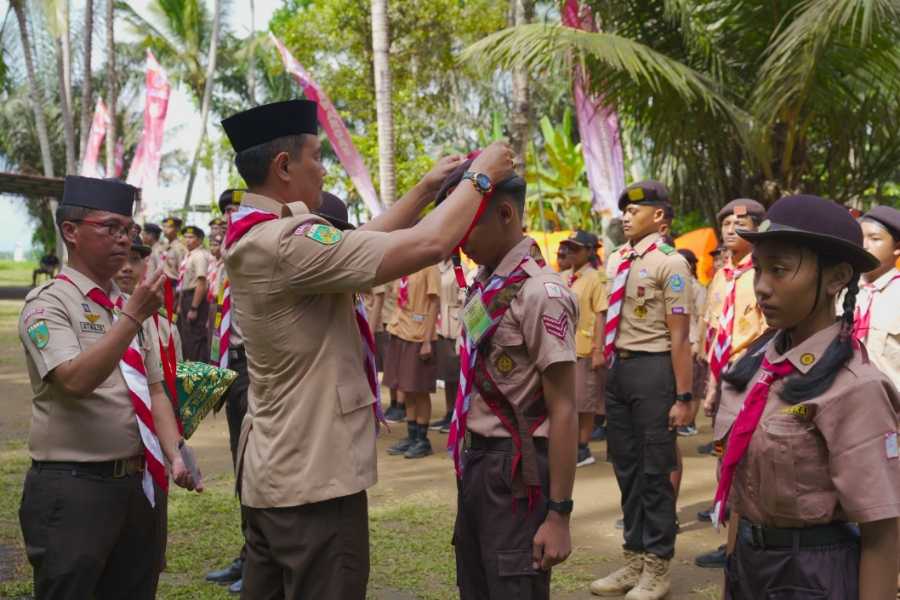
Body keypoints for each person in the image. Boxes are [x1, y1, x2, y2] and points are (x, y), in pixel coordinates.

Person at [219, 99, 513, 599]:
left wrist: (425, 188)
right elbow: (428, 247)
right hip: (313, 483)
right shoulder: (286, 243)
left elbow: (360, 241)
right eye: (315, 156)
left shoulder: (265, 236)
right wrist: (480, 179)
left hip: (279, 473)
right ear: (284, 166)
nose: (323, 168)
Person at [17, 175, 201, 599]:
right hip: (75, 487)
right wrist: (131, 319)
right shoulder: (48, 303)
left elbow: (154, 389)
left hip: (137, 485)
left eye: (129, 230)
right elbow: (75, 381)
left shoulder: (127, 305)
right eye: (111, 228)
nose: (123, 239)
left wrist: (175, 453)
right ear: (71, 232)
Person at [713, 194, 899, 599]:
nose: (761, 287)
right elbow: (742, 481)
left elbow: (882, 532)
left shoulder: (855, 387)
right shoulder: (759, 364)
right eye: (759, 269)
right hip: (749, 565)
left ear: (836, 278)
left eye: (779, 270)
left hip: (812, 576)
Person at [433, 158, 577, 600]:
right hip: (476, 464)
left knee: (513, 585)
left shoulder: (541, 293)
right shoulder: (488, 285)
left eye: (466, 225)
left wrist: (559, 515)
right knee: (475, 583)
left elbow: (564, 407)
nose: (459, 239)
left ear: (506, 214)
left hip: (516, 472)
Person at [590, 181, 693, 600]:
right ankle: (633, 560)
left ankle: (657, 566)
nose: (626, 216)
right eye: (625, 212)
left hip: (654, 370)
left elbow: (681, 337)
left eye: (637, 211)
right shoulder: (617, 259)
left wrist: (684, 397)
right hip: (620, 370)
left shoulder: (671, 264)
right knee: (626, 469)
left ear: (660, 218)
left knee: (655, 473)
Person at [693, 200, 769, 568]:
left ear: (757, 228)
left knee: (748, 456)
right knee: (724, 452)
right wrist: (710, 386)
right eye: (725, 221)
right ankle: (728, 527)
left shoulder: (764, 274)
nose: (729, 227)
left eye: (740, 221)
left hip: (751, 372)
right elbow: (714, 331)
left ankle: (741, 541)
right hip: (724, 375)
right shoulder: (722, 275)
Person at [203, 189, 251, 594]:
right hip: (233, 369)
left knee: (257, 467)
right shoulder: (226, 260)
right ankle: (248, 552)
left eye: (237, 210)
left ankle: (259, 558)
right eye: (226, 214)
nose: (229, 218)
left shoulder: (254, 254)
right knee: (242, 465)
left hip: (256, 370)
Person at [560, 230, 608, 467]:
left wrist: (599, 349)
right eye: (568, 247)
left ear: (590, 251)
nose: (569, 251)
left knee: (584, 401)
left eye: (575, 248)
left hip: (585, 347)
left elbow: (601, 314)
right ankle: (570, 444)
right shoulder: (562, 277)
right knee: (567, 399)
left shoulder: (596, 278)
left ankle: (583, 447)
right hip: (562, 347)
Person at [383, 264, 441, 458]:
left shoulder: (430, 267)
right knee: (405, 387)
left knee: (419, 389)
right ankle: (412, 435)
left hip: (419, 333)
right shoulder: (406, 267)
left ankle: (422, 440)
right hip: (400, 329)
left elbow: (434, 302)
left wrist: (427, 340)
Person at [851, 205, 900, 388]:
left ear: (897, 248)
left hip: (890, 407)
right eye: (861, 238)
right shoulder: (842, 288)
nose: (864, 245)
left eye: (875, 239)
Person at [429, 256, 469, 433]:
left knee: (454, 372)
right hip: (440, 323)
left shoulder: (459, 268)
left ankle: (455, 414)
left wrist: (462, 326)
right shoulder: (436, 266)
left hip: (454, 324)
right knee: (446, 373)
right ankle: (447, 412)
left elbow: (465, 295)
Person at [176, 225, 210, 363]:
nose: (187, 240)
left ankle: (196, 370)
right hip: (185, 297)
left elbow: (202, 282)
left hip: (195, 298)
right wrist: (180, 304)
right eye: (186, 237)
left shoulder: (199, 256)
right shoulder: (188, 255)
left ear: (200, 240)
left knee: (194, 337)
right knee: (186, 335)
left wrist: (194, 308)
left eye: (191, 237)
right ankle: (189, 365)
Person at [154, 216, 187, 287]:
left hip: (173, 284)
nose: (165, 229)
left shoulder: (180, 248)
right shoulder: (163, 246)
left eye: (169, 227)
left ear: (177, 229)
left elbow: (182, 272)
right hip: (160, 283)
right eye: (164, 227)